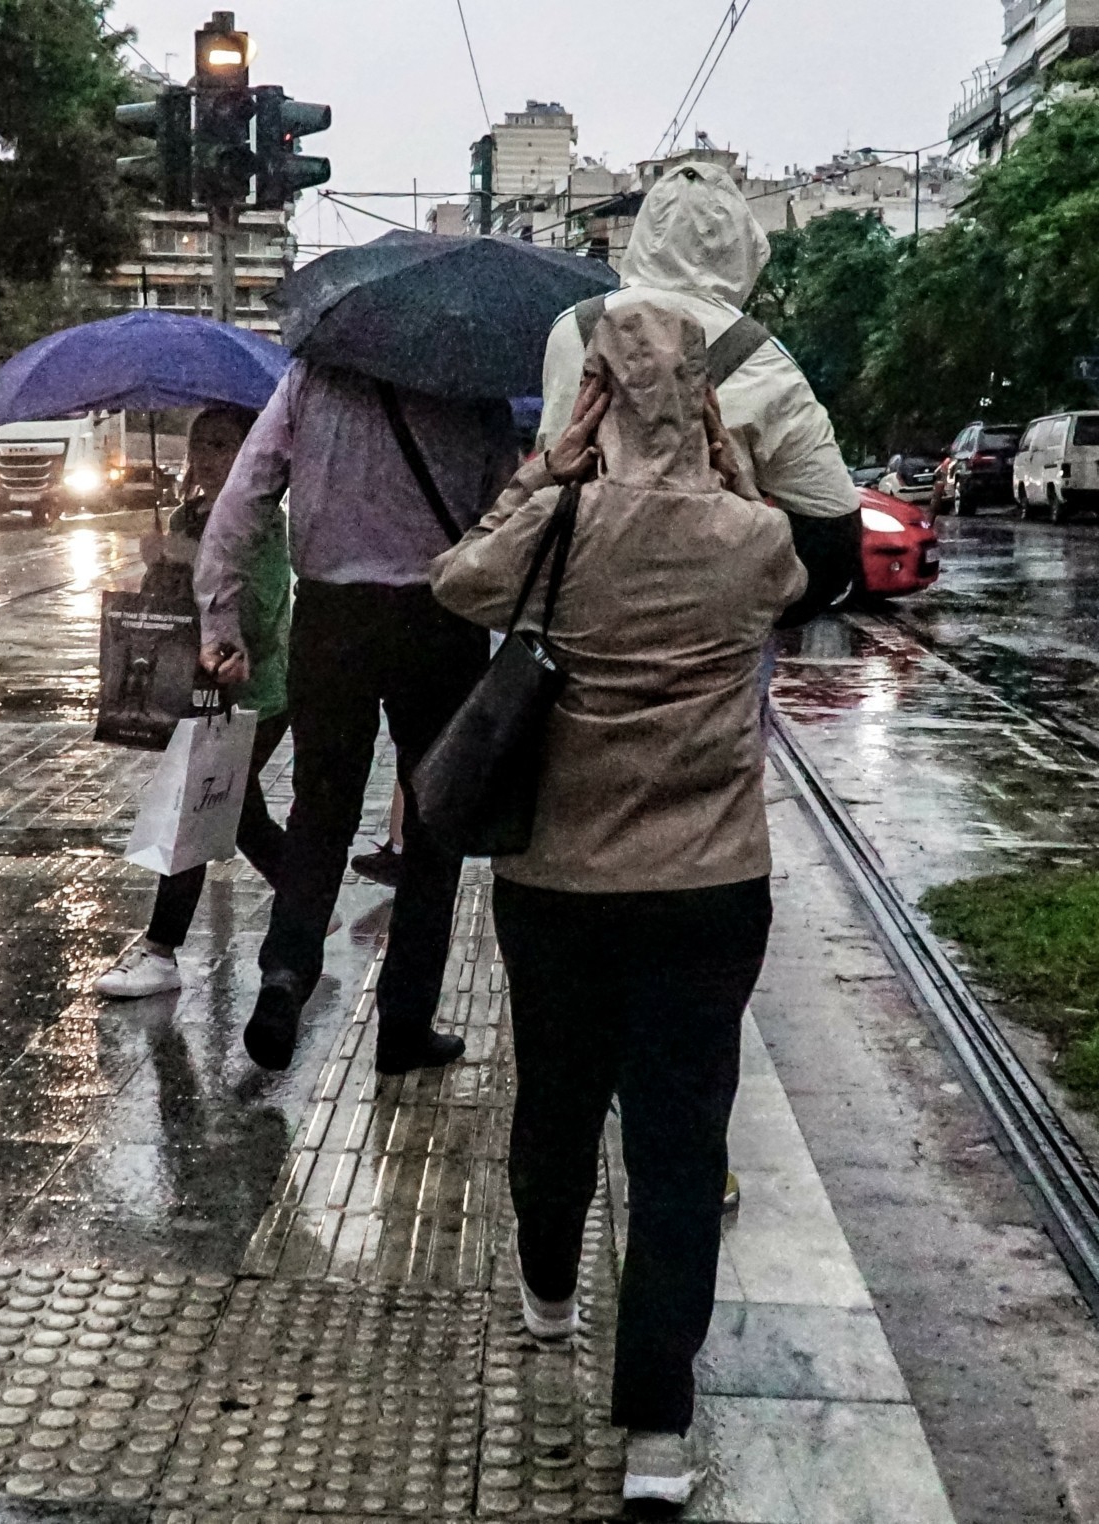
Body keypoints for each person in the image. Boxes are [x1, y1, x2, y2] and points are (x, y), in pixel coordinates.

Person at [431, 303, 807, 1509]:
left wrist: (547, 464)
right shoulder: (751, 540)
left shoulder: (558, 522)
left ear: (589, 395)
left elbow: (455, 582)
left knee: (554, 1096)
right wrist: (723, 457)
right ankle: (654, 1433)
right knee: (679, 1147)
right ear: (701, 402)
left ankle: (548, 1297)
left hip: (557, 883)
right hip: (707, 889)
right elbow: (793, 571)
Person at [196, 360, 519, 1074]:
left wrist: (219, 613)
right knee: (435, 827)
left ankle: (285, 975)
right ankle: (404, 1026)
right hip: (441, 618)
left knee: (321, 808)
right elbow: (508, 515)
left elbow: (245, 495)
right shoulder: (473, 383)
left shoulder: (314, 377)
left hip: (331, 620)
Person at [538, 159, 860, 617]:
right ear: (744, 248)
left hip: (581, 614)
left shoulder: (571, 331)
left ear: (644, 236)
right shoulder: (763, 357)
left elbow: (548, 472)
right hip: (714, 626)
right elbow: (833, 528)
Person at [94, 405, 288, 999]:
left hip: (251, 697)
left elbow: (256, 608)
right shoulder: (185, 515)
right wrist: (156, 573)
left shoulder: (261, 521)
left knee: (190, 814)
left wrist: (186, 558)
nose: (207, 457)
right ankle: (309, 899)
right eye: (200, 444)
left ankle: (160, 951)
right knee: (240, 816)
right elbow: (175, 610)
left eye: (224, 445)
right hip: (190, 691)